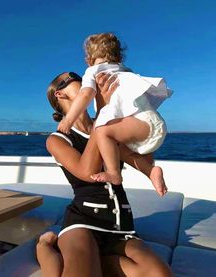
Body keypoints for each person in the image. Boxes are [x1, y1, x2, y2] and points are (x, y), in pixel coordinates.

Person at [36, 71, 173, 276]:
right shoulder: (57, 140)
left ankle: (94, 260)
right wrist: (104, 112)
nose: (84, 81)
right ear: (59, 94)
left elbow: (137, 157)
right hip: (82, 221)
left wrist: (150, 162)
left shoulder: (109, 125)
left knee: (160, 274)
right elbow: (86, 171)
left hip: (119, 225)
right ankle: (44, 247)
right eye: (76, 79)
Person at [58, 33, 172, 196]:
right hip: (148, 124)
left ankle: (114, 174)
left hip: (142, 123)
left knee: (102, 131)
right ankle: (150, 171)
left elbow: (86, 95)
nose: (78, 81)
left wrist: (69, 119)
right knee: (116, 145)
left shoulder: (93, 71)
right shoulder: (124, 70)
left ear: (88, 59)